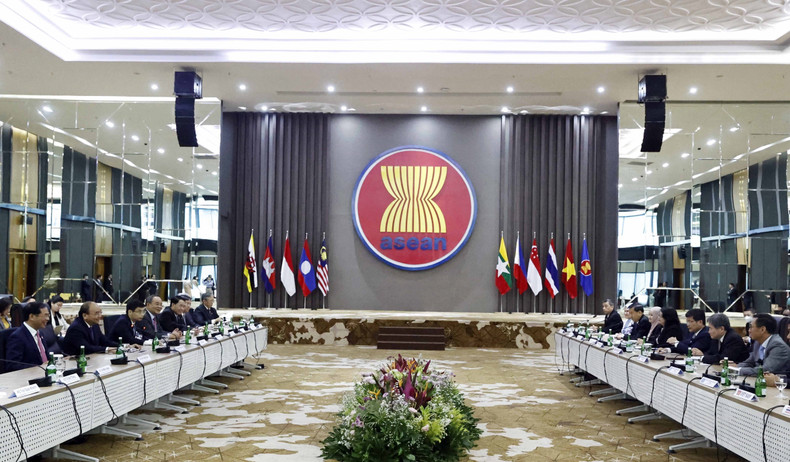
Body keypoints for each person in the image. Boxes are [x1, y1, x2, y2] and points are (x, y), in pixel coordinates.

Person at [737, 313, 790, 377]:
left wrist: (739, 370)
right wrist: (733, 367)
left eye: (751, 327)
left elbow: (765, 370)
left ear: (762, 329)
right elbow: (748, 362)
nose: (749, 330)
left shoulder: (779, 346)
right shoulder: (758, 343)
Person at [5, 302, 51, 371]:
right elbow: (13, 365)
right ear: (32, 316)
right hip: (28, 378)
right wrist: (39, 367)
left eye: (48, 316)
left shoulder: (40, 333)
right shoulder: (17, 337)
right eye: (45, 315)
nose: (48, 319)